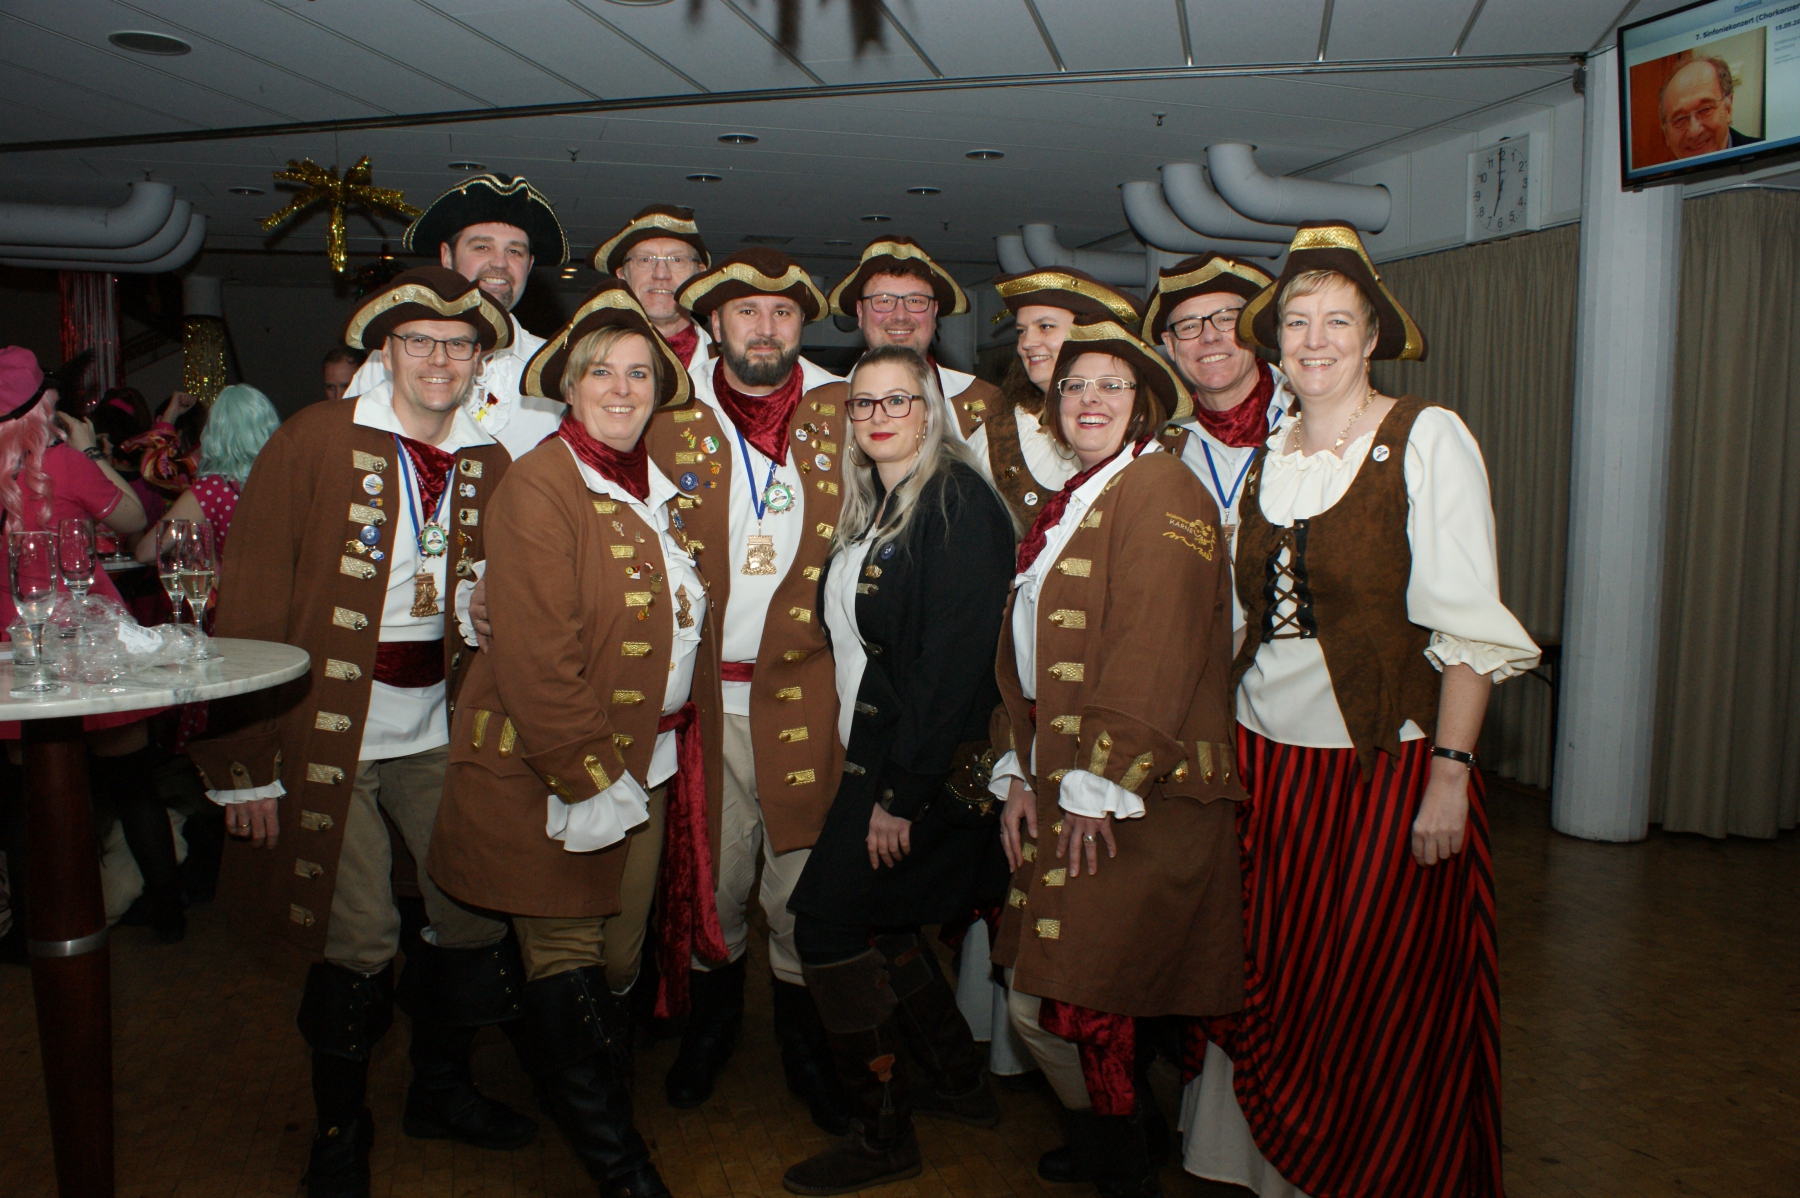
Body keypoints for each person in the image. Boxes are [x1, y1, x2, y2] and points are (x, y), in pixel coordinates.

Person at [1182, 222, 1540, 1198]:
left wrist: (1450, 775)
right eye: (1297, 321)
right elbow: (1237, 622)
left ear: (1373, 335)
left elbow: (1470, 624)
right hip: (1267, 768)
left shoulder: (1426, 436)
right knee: (1279, 977)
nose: (1316, 339)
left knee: (1374, 987)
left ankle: (1374, 1172)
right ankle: (1274, 1170)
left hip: (1381, 766)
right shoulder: (1269, 455)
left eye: (1338, 320)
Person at [188, 268, 534, 1197]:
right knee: (362, 938)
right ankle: (339, 1135)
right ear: (386, 351)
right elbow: (249, 599)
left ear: (480, 360)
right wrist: (242, 763)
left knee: (471, 913)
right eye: (419, 342)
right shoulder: (313, 439)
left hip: (438, 728)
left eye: (458, 345)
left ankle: (441, 1092)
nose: (439, 359)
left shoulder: (489, 458)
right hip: (323, 732)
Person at [429, 281, 705, 1198]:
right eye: (602, 372)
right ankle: (620, 1168)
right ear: (570, 386)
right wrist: (588, 778)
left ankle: (597, 1096)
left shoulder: (653, 485)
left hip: (647, 764)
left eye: (639, 373)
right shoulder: (542, 484)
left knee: (619, 957)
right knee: (566, 953)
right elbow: (541, 658)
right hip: (549, 768)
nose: (622, 389)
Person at [987, 315, 1244, 1198]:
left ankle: (1122, 1159)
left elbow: (1155, 643)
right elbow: (1029, 660)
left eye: (1110, 385)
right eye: (1073, 386)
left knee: (1074, 1001)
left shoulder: (1160, 483)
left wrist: (1097, 785)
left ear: (1145, 404)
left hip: (1134, 794)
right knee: (1056, 999)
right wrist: (1019, 771)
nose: (1088, 399)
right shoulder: (1078, 497)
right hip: (1068, 782)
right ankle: (1119, 1144)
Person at [780, 346, 1015, 1193]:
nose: (879, 416)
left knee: (826, 928)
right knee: (882, 925)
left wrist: (899, 798)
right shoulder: (882, 499)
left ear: (930, 411)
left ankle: (883, 1136)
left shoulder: (956, 503)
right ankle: (958, 1080)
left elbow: (949, 672)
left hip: (922, 770)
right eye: (863, 403)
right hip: (882, 754)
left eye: (898, 401)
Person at [642, 248, 849, 1130]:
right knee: (714, 883)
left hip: (813, 696)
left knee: (803, 887)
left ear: (802, 324)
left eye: (782, 313)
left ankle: (808, 1051)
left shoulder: (849, 409)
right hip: (705, 701)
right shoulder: (664, 414)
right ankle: (712, 1031)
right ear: (715, 324)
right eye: (746, 313)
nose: (765, 329)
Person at [0, 349, 174, 939]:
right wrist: (92, 452)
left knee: (29, 801)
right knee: (133, 784)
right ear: (41, 407)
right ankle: (168, 917)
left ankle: (34, 933)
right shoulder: (65, 463)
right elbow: (132, 520)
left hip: (16, 649)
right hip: (88, 639)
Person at [344, 172, 569, 458]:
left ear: (529, 265)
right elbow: (345, 450)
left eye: (515, 251)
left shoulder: (553, 367)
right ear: (447, 257)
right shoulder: (392, 358)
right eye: (482, 247)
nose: (500, 263)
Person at [970, 268, 1141, 524]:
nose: (1026, 343)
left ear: (1091, 334)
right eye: (1021, 331)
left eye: (1045, 326)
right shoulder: (997, 436)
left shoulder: (1132, 428)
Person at [1145, 255, 1291, 549]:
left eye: (1226, 319)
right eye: (1189, 326)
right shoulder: (1157, 445)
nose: (1210, 337)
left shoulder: (1307, 418)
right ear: (1171, 346)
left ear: (1251, 330)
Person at [827, 237, 1000, 442]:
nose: (900, 316)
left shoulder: (988, 402)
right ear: (860, 313)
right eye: (884, 301)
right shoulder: (823, 406)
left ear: (934, 312)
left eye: (915, 301)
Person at [594, 204, 714, 369]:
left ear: (699, 275)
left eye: (677, 260)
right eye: (645, 259)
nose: (661, 273)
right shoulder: (584, 362)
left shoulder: (727, 367)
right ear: (623, 276)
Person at [1660, 55, 1761, 160]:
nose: (1694, 132)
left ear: (1728, 109)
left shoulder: (1766, 157)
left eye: (1705, 110)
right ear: (1666, 134)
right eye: (1680, 119)